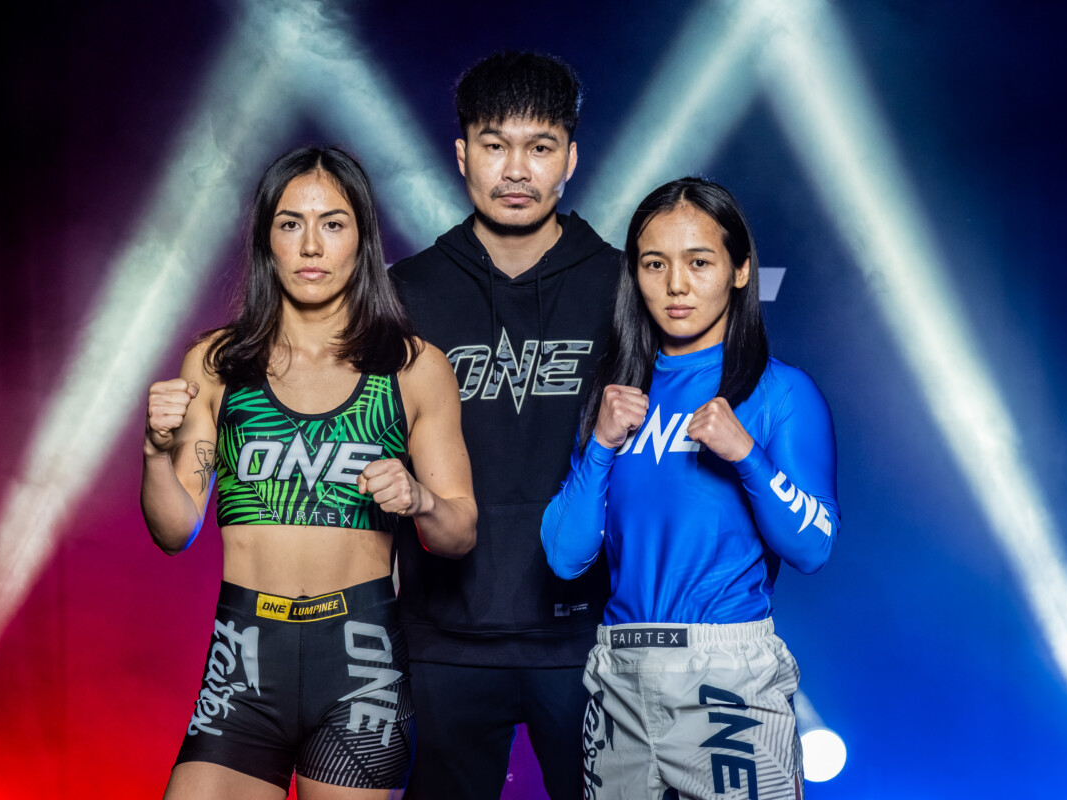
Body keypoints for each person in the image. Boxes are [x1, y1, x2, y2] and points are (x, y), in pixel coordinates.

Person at [140, 145, 477, 800]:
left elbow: (460, 532)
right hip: (242, 664)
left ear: (362, 238)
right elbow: (174, 529)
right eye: (291, 223)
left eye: (333, 223)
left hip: (360, 669)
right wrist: (155, 451)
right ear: (267, 240)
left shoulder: (412, 367)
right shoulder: (218, 363)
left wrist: (419, 499)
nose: (312, 245)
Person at [540, 178, 840, 800]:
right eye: (655, 264)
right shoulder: (613, 398)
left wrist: (746, 455)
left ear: (740, 270)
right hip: (619, 668)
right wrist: (600, 445)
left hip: (726, 670)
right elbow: (565, 557)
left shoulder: (780, 391)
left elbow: (813, 548)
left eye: (699, 262)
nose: (676, 284)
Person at [388, 51, 619, 799]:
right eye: (495, 145)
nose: (516, 169)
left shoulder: (624, 287)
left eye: (539, 146)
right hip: (443, 638)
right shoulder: (405, 293)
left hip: (589, 636)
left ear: (570, 159)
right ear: (463, 155)